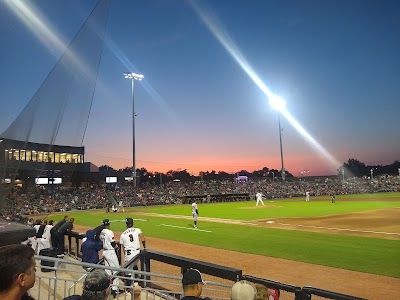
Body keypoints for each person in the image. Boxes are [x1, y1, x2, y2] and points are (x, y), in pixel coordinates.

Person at [120, 217, 146, 289]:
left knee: (128, 271)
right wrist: (144, 247)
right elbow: (142, 238)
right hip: (137, 253)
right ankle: (136, 283)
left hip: (129, 254)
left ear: (126, 224)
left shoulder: (123, 234)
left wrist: (126, 255)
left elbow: (123, 247)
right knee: (135, 266)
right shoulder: (137, 230)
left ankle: (129, 287)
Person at [99, 219, 120, 296]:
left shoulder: (102, 232)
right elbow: (113, 242)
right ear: (109, 224)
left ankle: (108, 287)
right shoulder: (109, 232)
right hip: (110, 252)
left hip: (104, 252)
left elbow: (101, 239)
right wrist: (117, 248)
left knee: (107, 271)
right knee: (116, 270)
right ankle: (115, 289)